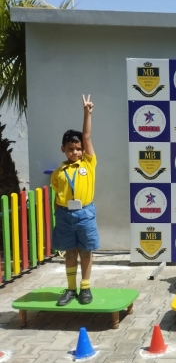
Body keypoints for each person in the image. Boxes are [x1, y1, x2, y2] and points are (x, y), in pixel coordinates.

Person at [51, 94, 100, 306]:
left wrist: (87, 113)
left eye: (78, 148)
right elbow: (57, 194)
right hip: (64, 215)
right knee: (69, 252)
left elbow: (86, 136)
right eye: (70, 149)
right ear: (63, 149)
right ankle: (71, 289)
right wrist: (58, 213)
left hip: (85, 213)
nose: (75, 152)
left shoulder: (88, 163)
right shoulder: (58, 172)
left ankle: (85, 288)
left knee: (86, 251)